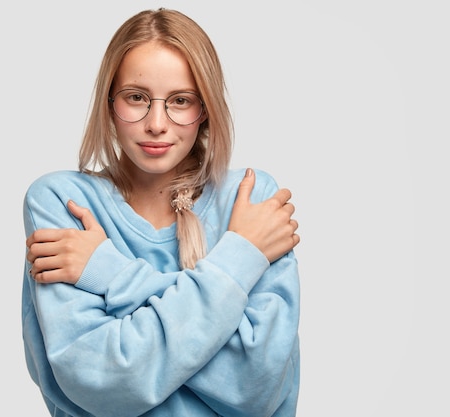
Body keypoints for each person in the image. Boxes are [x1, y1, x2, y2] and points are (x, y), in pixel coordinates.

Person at [22, 8, 301, 417]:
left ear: (204, 109)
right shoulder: (63, 203)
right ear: (108, 103)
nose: (156, 123)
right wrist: (240, 259)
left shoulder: (250, 199)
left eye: (180, 101)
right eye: (136, 97)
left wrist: (109, 272)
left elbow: (255, 387)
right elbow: (102, 382)